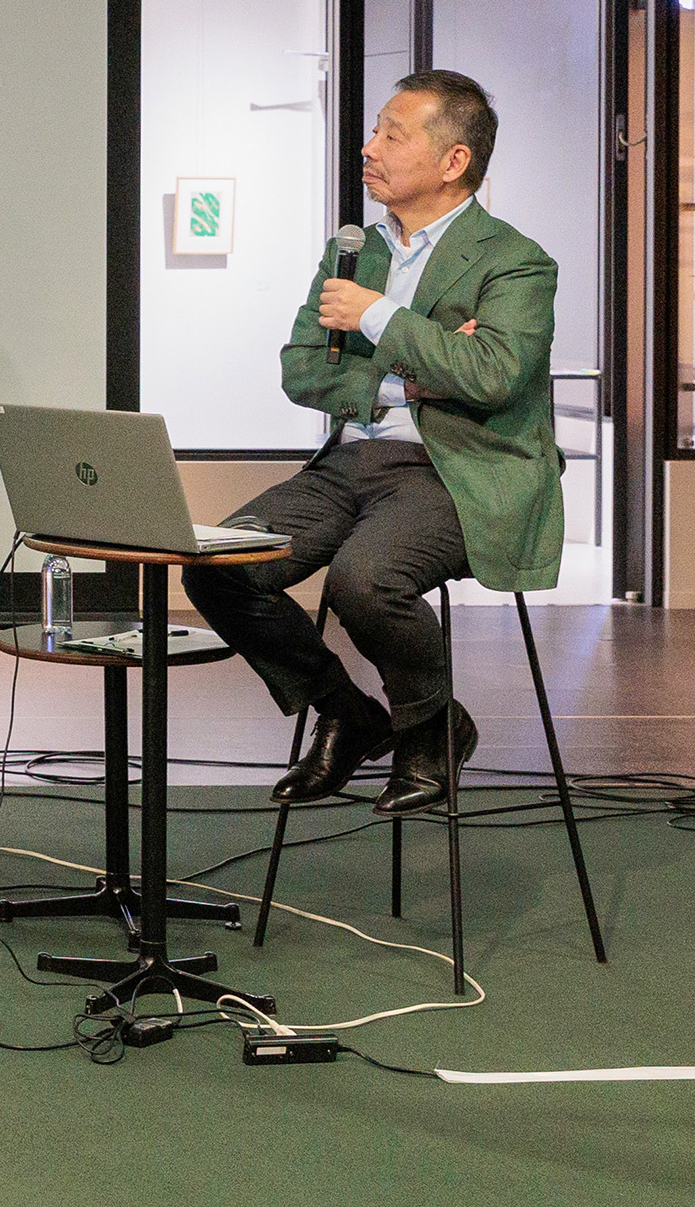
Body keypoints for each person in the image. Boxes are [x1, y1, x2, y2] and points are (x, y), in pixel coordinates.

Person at [184, 71, 561, 817]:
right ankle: (347, 714)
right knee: (215, 567)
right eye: (375, 130)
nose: (370, 147)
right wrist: (411, 379)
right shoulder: (354, 249)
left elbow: (491, 376)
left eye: (393, 133)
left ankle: (430, 728)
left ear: (453, 160)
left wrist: (377, 317)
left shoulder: (515, 260)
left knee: (365, 580)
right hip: (349, 461)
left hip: (453, 469)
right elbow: (301, 368)